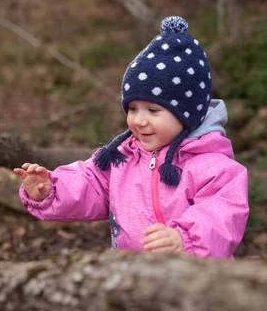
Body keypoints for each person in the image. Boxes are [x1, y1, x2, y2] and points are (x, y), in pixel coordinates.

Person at [15, 16, 249, 259]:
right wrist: (50, 190)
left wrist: (185, 239)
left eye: (153, 110)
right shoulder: (122, 157)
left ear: (187, 114)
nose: (139, 120)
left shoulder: (213, 167)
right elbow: (90, 183)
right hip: (134, 277)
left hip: (196, 281)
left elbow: (222, 213)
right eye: (133, 109)